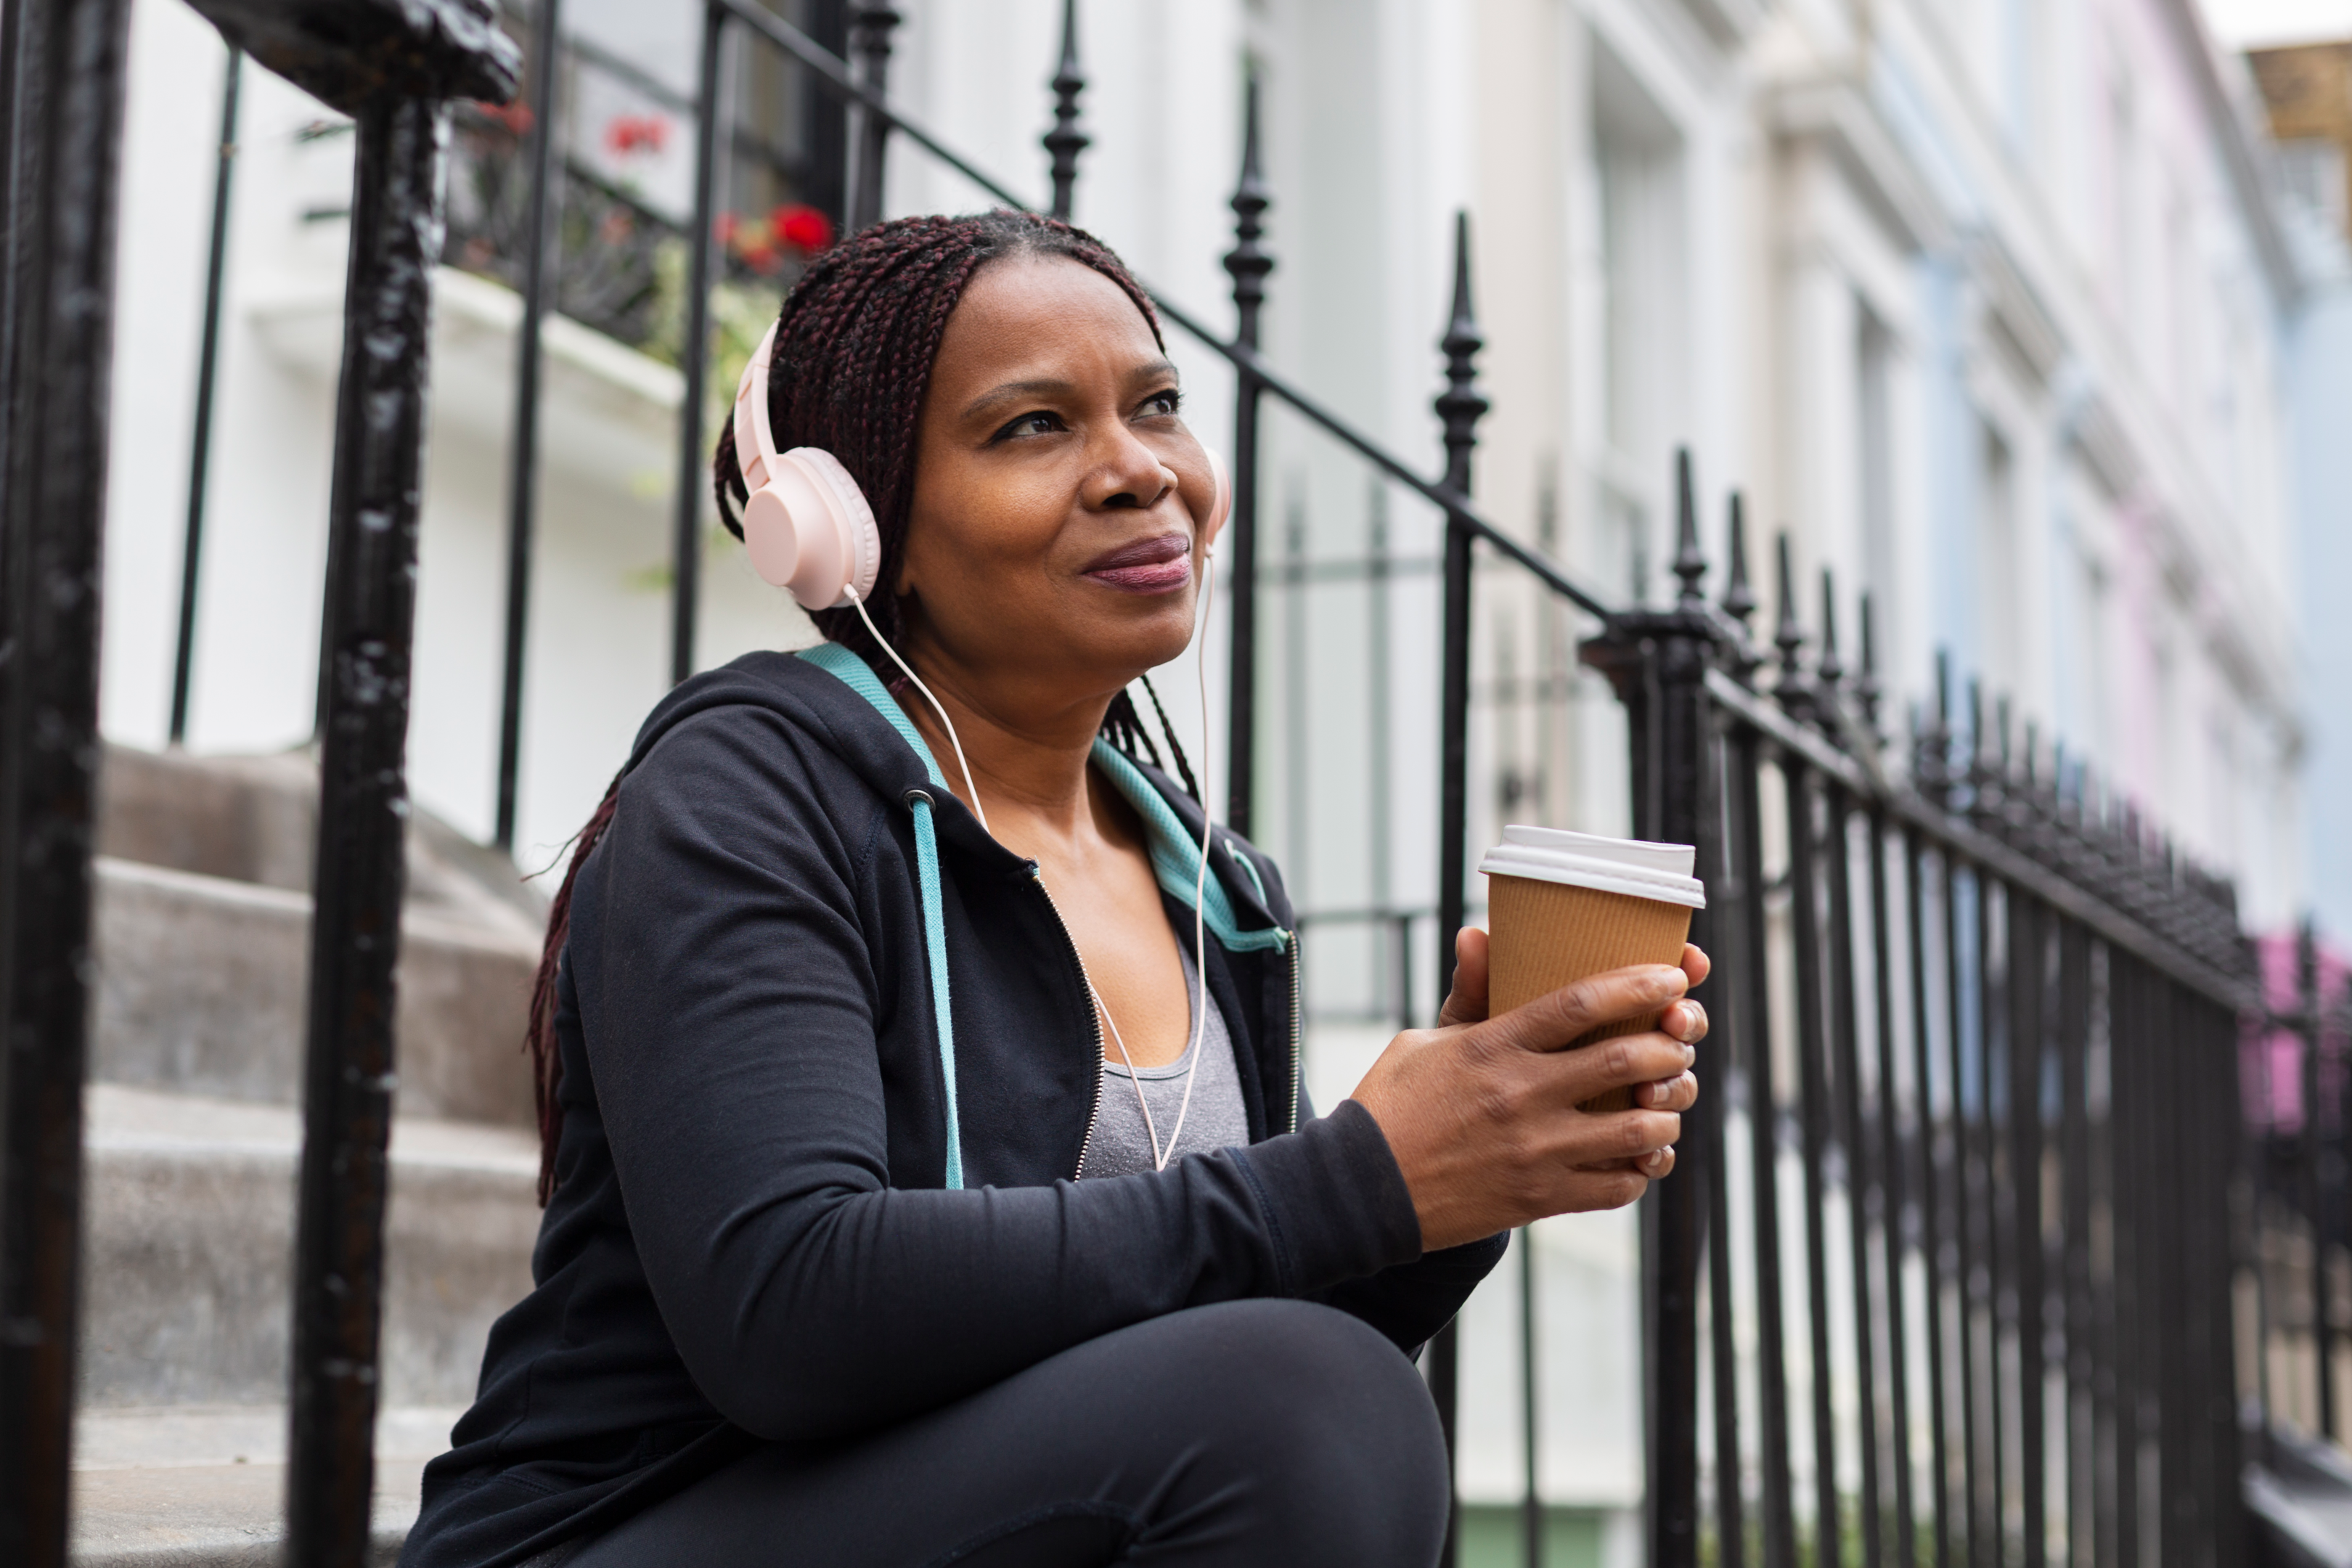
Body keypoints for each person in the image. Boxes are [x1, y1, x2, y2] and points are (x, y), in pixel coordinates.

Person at [399, 210, 1707, 1568]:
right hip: (632, 1523)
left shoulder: (1211, 883)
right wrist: (1354, 1179)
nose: (1141, 473)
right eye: (1033, 426)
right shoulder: (749, 795)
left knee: (1319, 1393)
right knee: (1305, 1405)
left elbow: (1209, 1337)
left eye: (1158, 407)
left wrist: (1471, 1173)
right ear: (856, 524)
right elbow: (787, 1308)